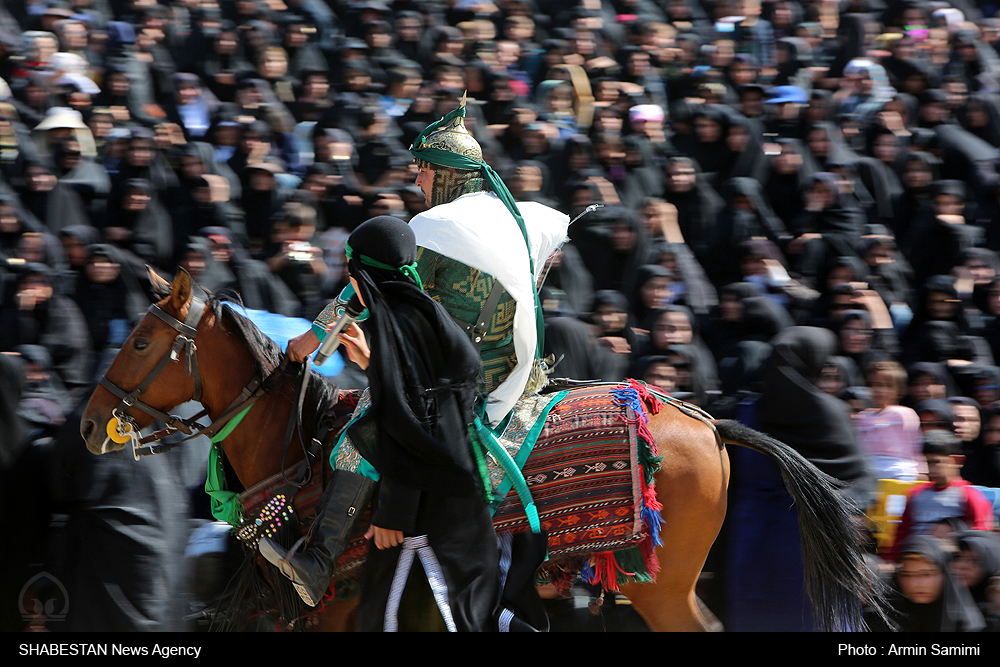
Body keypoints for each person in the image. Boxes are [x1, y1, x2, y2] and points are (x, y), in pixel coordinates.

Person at [262, 215, 498, 630]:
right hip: (434, 438)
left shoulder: (405, 320)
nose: (348, 280)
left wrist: (393, 515)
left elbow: (413, 419)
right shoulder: (404, 307)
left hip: (439, 476)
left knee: (354, 443)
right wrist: (369, 362)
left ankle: (319, 561)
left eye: (352, 269)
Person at [887, 429, 996, 562]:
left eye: (936, 462)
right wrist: (890, 559)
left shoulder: (969, 495)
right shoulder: (916, 494)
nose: (931, 469)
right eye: (927, 462)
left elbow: (980, 534)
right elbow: (902, 533)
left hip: (950, 563)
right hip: (914, 559)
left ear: (957, 461)